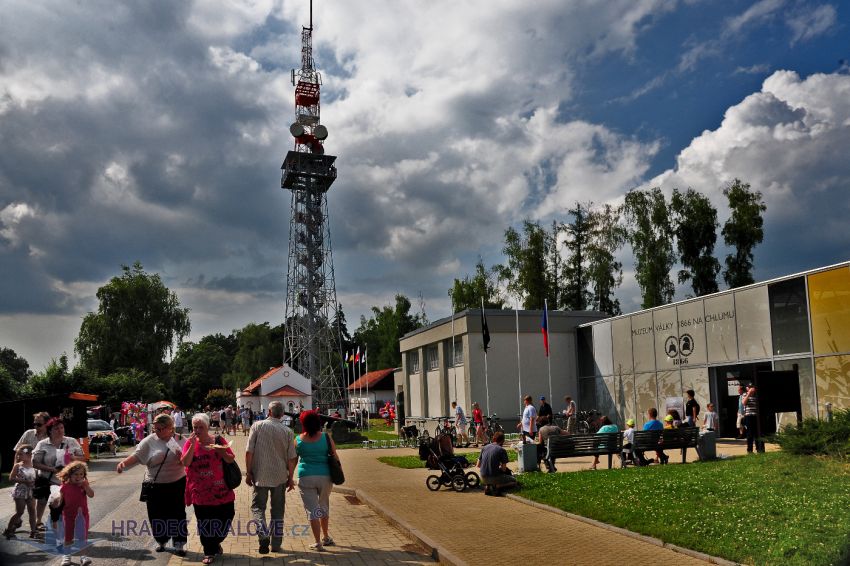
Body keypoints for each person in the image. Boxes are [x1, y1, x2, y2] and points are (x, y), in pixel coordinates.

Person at [116, 413, 187, 556]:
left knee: (177, 514)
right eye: (155, 429)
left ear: (170, 428)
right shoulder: (149, 441)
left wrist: (182, 456)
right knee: (157, 515)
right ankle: (161, 540)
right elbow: (137, 456)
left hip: (177, 483)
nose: (157, 432)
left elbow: (188, 461)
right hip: (155, 484)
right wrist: (123, 463)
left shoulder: (180, 440)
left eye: (160, 429)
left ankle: (179, 544)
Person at [181, 413, 236, 565]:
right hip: (200, 493)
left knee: (227, 519)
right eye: (195, 427)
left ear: (207, 427)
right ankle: (209, 551)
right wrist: (192, 445)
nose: (197, 430)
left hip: (222, 492)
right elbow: (185, 463)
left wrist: (221, 450)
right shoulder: (190, 443)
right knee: (205, 524)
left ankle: (216, 542)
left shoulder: (218, 440)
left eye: (201, 427)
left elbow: (231, 459)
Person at [246, 401, 297, 555]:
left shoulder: (257, 426)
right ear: (282, 414)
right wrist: (291, 477)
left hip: (260, 475)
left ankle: (262, 534)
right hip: (280, 476)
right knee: (278, 511)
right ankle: (275, 544)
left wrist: (248, 472)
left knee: (257, 508)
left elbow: (249, 451)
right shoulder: (288, 431)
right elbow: (292, 458)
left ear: (268, 411)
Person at [33, 417, 84, 533]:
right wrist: (51, 469)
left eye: (62, 427)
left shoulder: (71, 441)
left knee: (61, 503)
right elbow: (34, 462)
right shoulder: (43, 444)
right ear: (50, 430)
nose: (60, 430)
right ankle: (38, 521)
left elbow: (83, 458)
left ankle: (59, 524)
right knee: (42, 501)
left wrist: (72, 458)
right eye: (56, 428)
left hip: (67, 480)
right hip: (47, 479)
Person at [295, 410, 336, 551]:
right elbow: (335, 456)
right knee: (323, 506)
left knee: (312, 510)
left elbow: (293, 461)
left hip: (305, 476)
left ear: (303, 423)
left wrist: (289, 479)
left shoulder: (298, 439)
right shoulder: (326, 437)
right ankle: (326, 537)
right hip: (325, 476)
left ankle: (317, 542)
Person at [55, 461, 94, 566]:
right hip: (68, 516)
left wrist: (86, 486)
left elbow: (91, 495)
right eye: (76, 474)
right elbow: (61, 501)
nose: (79, 477)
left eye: (81, 474)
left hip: (83, 515)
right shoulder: (65, 486)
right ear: (69, 475)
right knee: (68, 537)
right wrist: (56, 506)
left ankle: (83, 556)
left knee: (82, 537)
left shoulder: (84, 485)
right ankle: (66, 556)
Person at [4, 445, 37, 539]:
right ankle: (9, 529)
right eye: (17, 454)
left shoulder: (34, 465)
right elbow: (11, 478)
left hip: (31, 491)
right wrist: (24, 481)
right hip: (20, 491)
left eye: (20, 454)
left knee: (32, 510)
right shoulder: (18, 465)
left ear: (30, 455)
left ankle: (33, 531)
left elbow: (37, 477)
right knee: (20, 512)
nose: (18, 457)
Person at [477, 431, 517, 496]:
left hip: (482, 477)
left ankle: (488, 486)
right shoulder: (501, 450)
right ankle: (498, 486)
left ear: (494, 439)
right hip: (494, 478)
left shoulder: (484, 448)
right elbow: (504, 469)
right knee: (514, 481)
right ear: (502, 441)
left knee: (491, 475)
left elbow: (478, 465)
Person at [742, 385, 760, 453]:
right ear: (747, 389)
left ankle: (759, 449)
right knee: (750, 434)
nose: (752, 389)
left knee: (758, 433)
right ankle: (749, 450)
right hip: (749, 416)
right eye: (749, 388)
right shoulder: (745, 394)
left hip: (757, 416)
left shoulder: (756, 395)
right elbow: (744, 403)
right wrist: (749, 394)